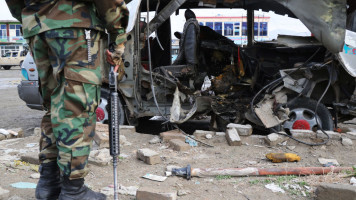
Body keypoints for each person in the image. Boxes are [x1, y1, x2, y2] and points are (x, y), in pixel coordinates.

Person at [5, 0, 128, 199]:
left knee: (55, 106)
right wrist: (118, 33)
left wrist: (35, 16)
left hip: (37, 30)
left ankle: (49, 184)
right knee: (76, 107)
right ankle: (73, 191)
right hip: (75, 26)